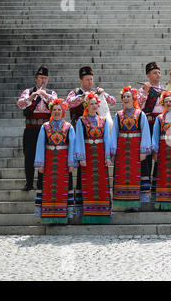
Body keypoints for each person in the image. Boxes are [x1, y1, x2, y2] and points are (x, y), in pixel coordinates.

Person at [66, 66, 116, 213]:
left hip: (98, 135)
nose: (89, 82)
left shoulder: (97, 94)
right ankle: (81, 203)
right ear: (81, 80)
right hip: (79, 133)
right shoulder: (75, 93)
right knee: (83, 168)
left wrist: (102, 93)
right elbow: (69, 103)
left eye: (91, 79)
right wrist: (85, 96)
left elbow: (112, 101)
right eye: (87, 79)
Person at [137, 61, 171, 199]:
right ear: (148, 75)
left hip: (162, 124)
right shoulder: (143, 90)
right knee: (147, 155)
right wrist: (146, 92)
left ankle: (160, 187)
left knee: (162, 154)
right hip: (148, 124)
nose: (157, 75)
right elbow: (139, 106)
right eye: (154, 73)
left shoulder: (165, 89)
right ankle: (145, 189)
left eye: (159, 72)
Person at [33, 99, 76, 224]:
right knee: (48, 188)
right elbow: (40, 145)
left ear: (63, 112)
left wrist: (71, 162)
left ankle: (62, 216)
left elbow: (72, 145)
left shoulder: (69, 127)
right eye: (55, 110)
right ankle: (48, 216)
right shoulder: (45, 126)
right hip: (49, 162)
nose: (57, 112)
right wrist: (40, 163)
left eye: (59, 110)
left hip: (63, 162)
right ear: (51, 111)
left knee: (63, 187)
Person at [16, 66, 57, 191]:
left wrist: (45, 96)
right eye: (40, 78)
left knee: (45, 155)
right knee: (29, 155)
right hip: (31, 128)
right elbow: (20, 104)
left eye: (45, 78)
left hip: (46, 129)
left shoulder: (51, 93)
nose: (43, 80)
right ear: (36, 79)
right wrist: (32, 97)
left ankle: (41, 182)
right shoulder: (28, 91)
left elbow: (58, 105)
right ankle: (29, 183)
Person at [110, 86, 151, 210]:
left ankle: (135, 203)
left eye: (128, 96)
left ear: (133, 98)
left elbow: (145, 132)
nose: (126, 98)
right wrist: (113, 151)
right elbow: (114, 133)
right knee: (123, 175)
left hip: (135, 149)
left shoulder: (140, 114)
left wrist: (144, 150)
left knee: (135, 175)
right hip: (122, 150)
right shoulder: (118, 115)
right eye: (124, 96)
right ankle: (124, 202)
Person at [74, 92, 112, 224]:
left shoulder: (103, 120)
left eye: (96, 103)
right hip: (88, 156)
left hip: (100, 156)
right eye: (91, 104)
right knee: (88, 183)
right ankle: (89, 214)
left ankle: (103, 214)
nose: (94, 106)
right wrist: (81, 157)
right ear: (86, 106)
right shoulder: (81, 121)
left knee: (101, 183)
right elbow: (79, 139)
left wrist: (108, 156)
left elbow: (107, 139)